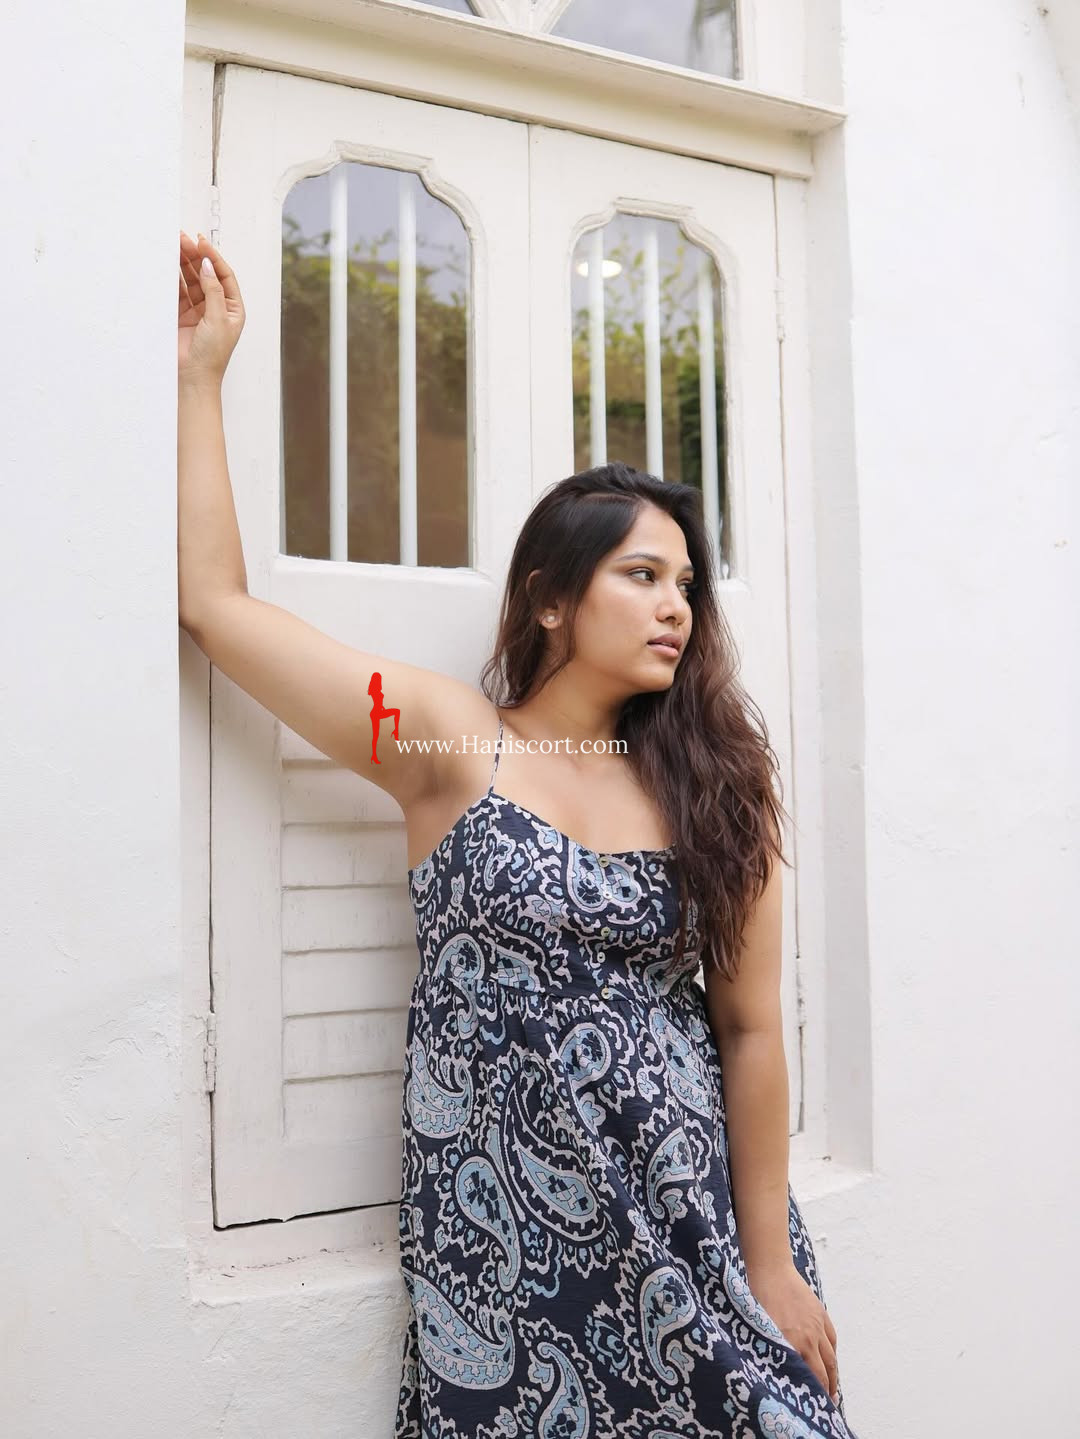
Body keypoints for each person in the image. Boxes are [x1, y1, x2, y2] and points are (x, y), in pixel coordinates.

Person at [177, 231, 859, 1439]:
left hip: (695, 1223)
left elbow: (752, 1028)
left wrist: (769, 1257)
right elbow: (218, 608)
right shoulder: (446, 741)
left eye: (686, 584)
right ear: (552, 596)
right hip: (503, 1246)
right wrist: (200, 379)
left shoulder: (716, 783)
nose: (675, 605)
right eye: (642, 575)